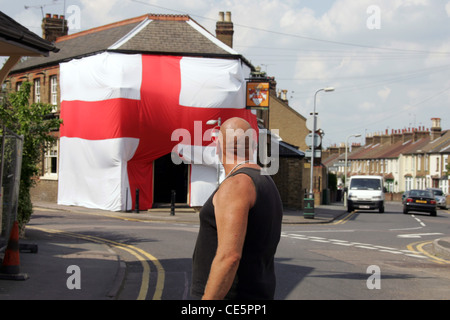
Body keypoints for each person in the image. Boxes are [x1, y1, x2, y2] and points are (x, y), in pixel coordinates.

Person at [191, 117, 283, 300]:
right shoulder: (266, 182)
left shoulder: (236, 185)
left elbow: (229, 257)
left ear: (218, 146)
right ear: (254, 146)